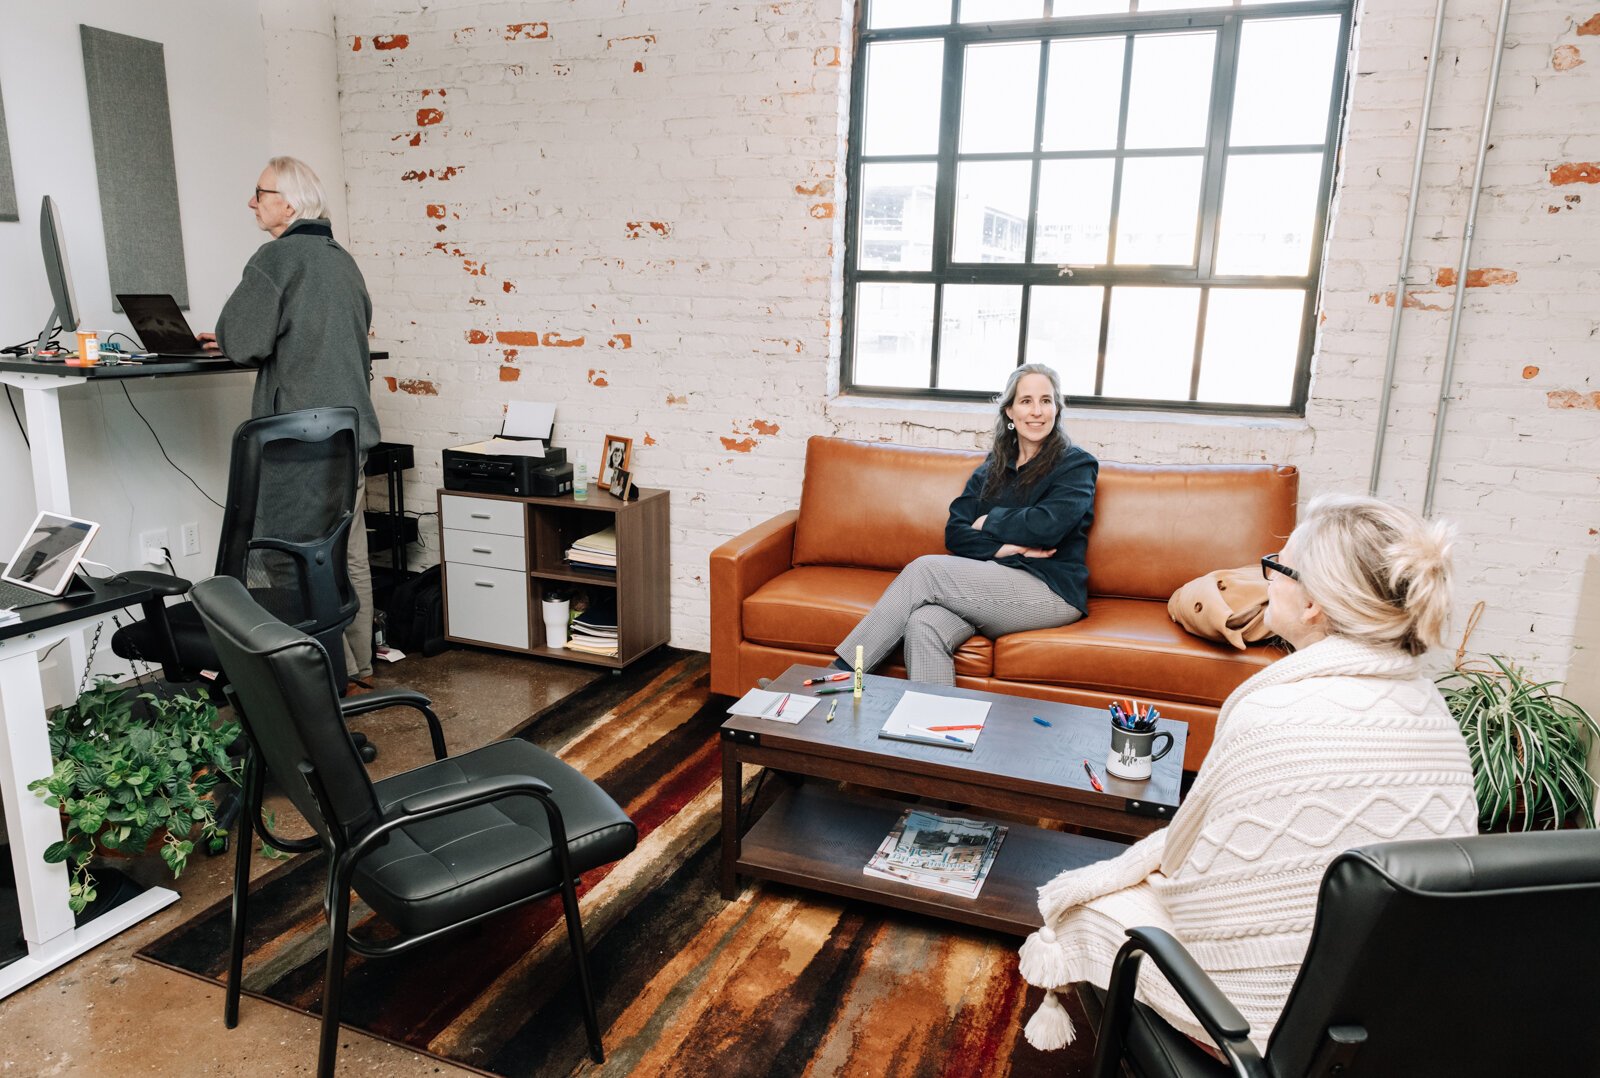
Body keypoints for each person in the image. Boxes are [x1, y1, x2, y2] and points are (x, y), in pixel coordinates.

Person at [1016, 494, 1479, 1055]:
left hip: (1274, 1013)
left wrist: (1145, 867)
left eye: (1277, 568)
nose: (1267, 580)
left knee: (1087, 909)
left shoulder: (1271, 715)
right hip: (1397, 1001)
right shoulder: (1438, 718)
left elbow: (1199, 890)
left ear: (1311, 604)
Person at [202, 156, 381, 688]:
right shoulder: (342, 260)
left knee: (286, 560)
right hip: (349, 436)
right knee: (346, 555)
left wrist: (231, 336)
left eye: (260, 192)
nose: (252, 202)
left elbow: (243, 341)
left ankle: (315, 676)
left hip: (298, 442)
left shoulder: (277, 258)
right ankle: (358, 666)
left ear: (289, 202)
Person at [834, 363, 1096, 686]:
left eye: (1046, 401)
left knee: (925, 571)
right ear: (1010, 412)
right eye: (1026, 401)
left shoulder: (1076, 465)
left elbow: (1048, 526)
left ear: (1057, 409)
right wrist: (1004, 548)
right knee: (923, 623)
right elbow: (955, 532)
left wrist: (989, 521)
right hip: (986, 590)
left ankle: (838, 680)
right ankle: (934, 732)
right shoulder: (993, 467)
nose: (1037, 411)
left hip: (1050, 591)